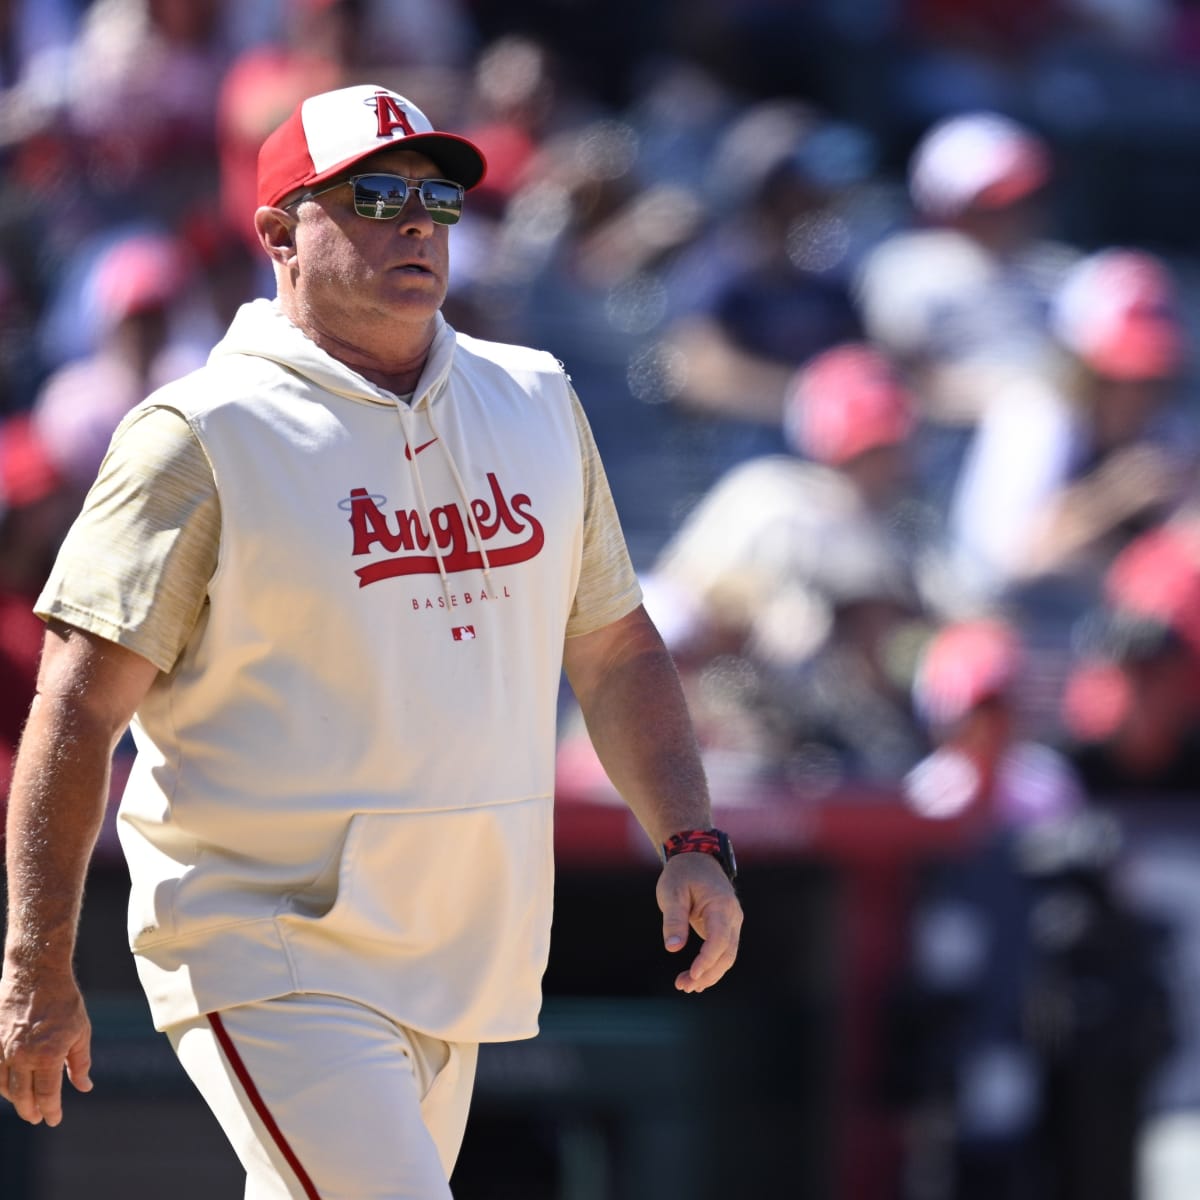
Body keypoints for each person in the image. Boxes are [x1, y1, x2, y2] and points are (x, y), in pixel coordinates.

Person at [0, 82, 743, 1198]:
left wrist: (690, 834)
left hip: (458, 945)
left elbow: (614, 645)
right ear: (276, 234)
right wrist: (33, 964)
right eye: (375, 194)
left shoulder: (534, 398)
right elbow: (76, 708)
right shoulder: (199, 433)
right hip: (271, 942)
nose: (416, 222)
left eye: (437, 197)